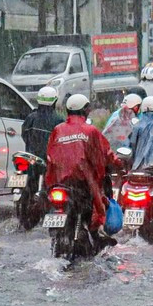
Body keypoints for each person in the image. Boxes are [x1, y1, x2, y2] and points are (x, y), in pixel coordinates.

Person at [45, 94, 121, 242]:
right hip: (82, 183)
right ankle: (95, 230)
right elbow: (104, 154)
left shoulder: (58, 129)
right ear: (85, 110)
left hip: (59, 182)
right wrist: (117, 165)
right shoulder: (90, 131)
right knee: (99, 201)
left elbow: (50, 155)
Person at [21, 87, 65, 190]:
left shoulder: (31, 118)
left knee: (29, 185)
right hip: (49, 164)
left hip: (31, 161)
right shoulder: (58, 120)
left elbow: (25, 135)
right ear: (54, 101)